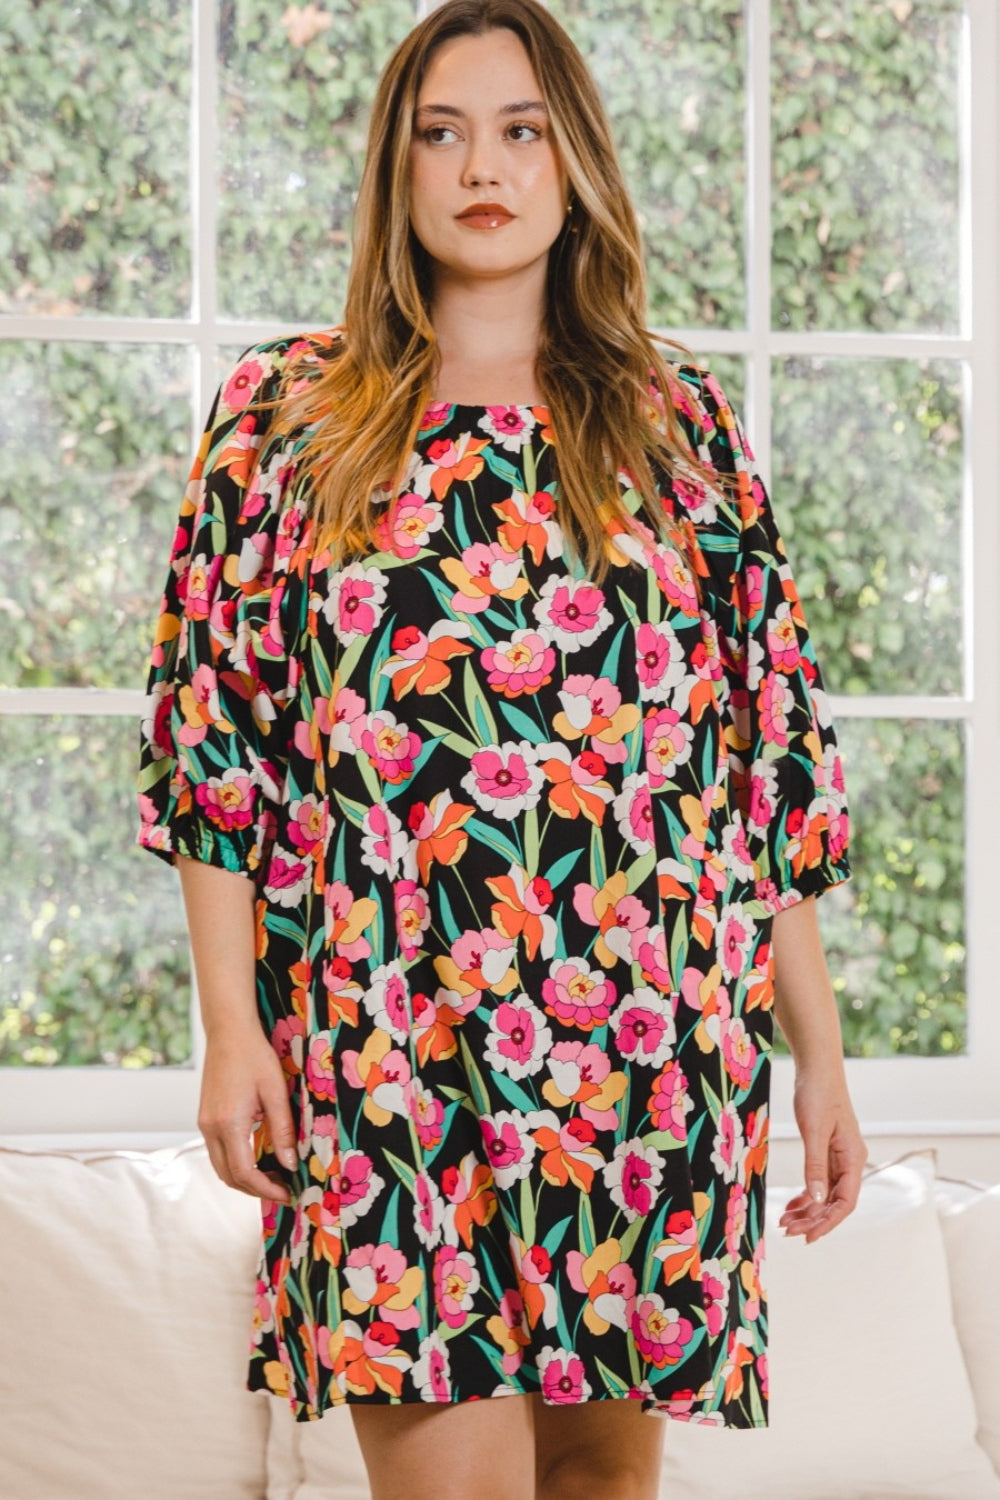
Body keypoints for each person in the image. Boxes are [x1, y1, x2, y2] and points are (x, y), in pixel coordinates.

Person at [135, 2, 867, 1496]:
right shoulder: (285, 424)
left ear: (574, 160)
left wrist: (824, 1063)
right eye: (442, 132)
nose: (485, 165)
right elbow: (218, 749)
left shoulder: (683, 435)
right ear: (395, 172)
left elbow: (764, 767)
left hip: (648, 1050)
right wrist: (231, 1033)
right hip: (386, 1060)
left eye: (522, 129)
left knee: (604, 1484)